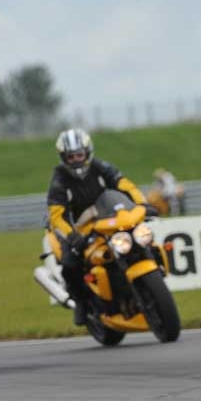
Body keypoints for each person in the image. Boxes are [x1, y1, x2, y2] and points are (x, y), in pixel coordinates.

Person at [47, 128, 148, 326]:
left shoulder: (100, 167)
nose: (76, 160)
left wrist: (142, 204)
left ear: (87, 152)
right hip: (77, 228)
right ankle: (81, 304)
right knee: (70, 263)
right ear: (63, 158)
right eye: (70, 156)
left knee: (139, 239)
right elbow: (57, 217)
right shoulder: (59, 181)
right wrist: (72, 236)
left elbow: (124, 184)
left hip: (106, 218)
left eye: (79, 155)